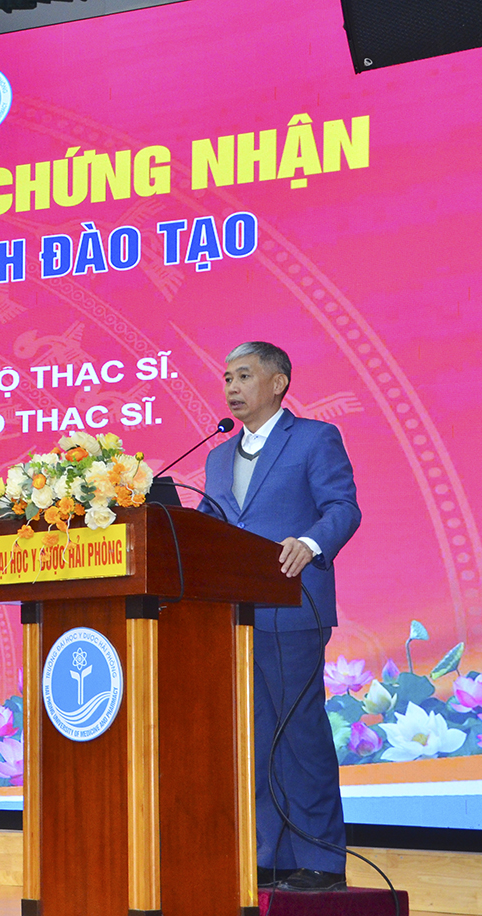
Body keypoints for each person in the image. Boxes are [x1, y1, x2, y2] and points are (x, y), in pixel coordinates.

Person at [202, 341, 361, 893]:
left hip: (295, 607)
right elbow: (211, 526)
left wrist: (311, 543)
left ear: (278, 383)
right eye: (227, 378)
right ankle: (270, 855)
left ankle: (321, 860)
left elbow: (343, 507)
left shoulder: (315, 438)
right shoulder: (217, 457)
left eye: (244, 376)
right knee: (255, 738)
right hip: (235, 616)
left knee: (300, 734)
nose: (232, 387)